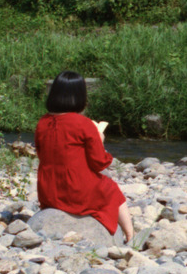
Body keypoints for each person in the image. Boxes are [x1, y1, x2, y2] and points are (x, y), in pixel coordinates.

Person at [35, 71, 135, 243]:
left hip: (48, 191)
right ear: (80, 96)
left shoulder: (42, 122)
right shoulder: (83, 124)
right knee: (110, 187)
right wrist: (100, 139)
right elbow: (99, 163)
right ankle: (130, 235)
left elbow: (42, 153)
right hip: (75, 191)